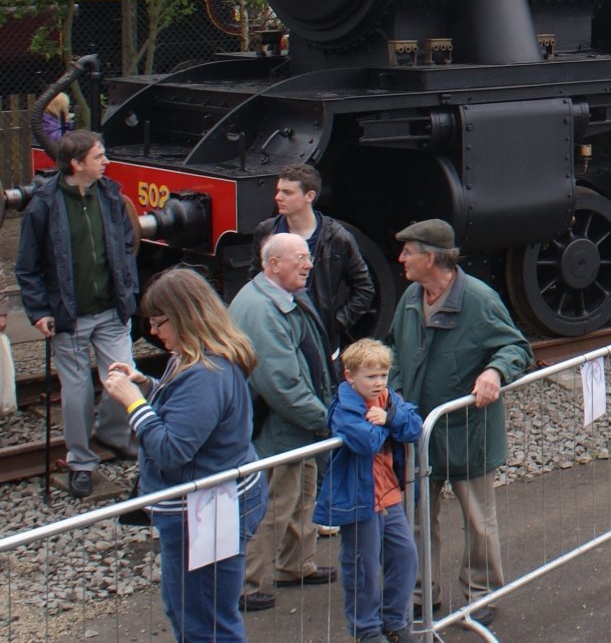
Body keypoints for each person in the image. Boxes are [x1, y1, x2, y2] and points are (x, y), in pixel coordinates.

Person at [102, 268, 269, 642]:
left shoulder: (205, 373)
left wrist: (134, 405)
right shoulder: (202, 359)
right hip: (211, 506)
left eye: (158, 323)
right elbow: (193, 415)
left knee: (204, 622)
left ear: (184, 317)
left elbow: (172, 449)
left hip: (206, 512)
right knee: (190, 610)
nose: (153, 332)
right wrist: (147, 384)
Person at [388, 219, 531, 628]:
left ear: (430, 257)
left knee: (478, 520)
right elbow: (396, 348)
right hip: (419, 433)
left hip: (469, 432)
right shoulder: (412, 298)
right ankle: (419, 595)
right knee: (416, 518)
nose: (401, 259)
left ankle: (482, 593)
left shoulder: (480, 300)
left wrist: (496, 372)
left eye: (408, 252)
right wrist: (393, 391)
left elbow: (515, 346)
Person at [13, 130, 138, 498]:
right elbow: (27, 266)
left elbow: (126, 245)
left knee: (125, 379)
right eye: (99, 157)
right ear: (77, 163)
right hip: (70, 317)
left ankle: (113, 435)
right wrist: (38, 311)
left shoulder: (111, 196)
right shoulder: (44, 205)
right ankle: (81, 461)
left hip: (112, 312)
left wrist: (128, 293)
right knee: (77, 393)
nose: (106, 162)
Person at [230, 231, 337, 611]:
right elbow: (281, 384)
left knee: (302, 491)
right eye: (300, 258)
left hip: (296, 427)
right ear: (273, 265)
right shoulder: (262, 310)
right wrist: (326, 420)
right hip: (280, 429)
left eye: (308, 257)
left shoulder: (278, 296)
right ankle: (248, 583)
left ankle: (295, 563)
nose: (309, 265)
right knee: (274, 505)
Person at [315, 339, 423, 643]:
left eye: (383, 376)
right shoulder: (344, 406)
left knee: (404, 555)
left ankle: (394, 621)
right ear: (350, 376)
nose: (378, 383)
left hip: (388, 494)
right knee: (362, 567)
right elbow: (365, 442)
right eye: (370, 377)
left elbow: (415, 425)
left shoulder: (388, 400)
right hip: (359, 500)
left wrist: (388, 418)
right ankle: (365, 630)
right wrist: (390, 425)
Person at [248, 163, 376, 351]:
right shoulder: (266, 231)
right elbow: (254, 278)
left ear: (310, 196)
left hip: (320, 340)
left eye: (287, 192)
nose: (278, 197)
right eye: (278, 191)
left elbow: (364, 288)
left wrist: (336, 323)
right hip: (276, 332)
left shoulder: (337, 238)